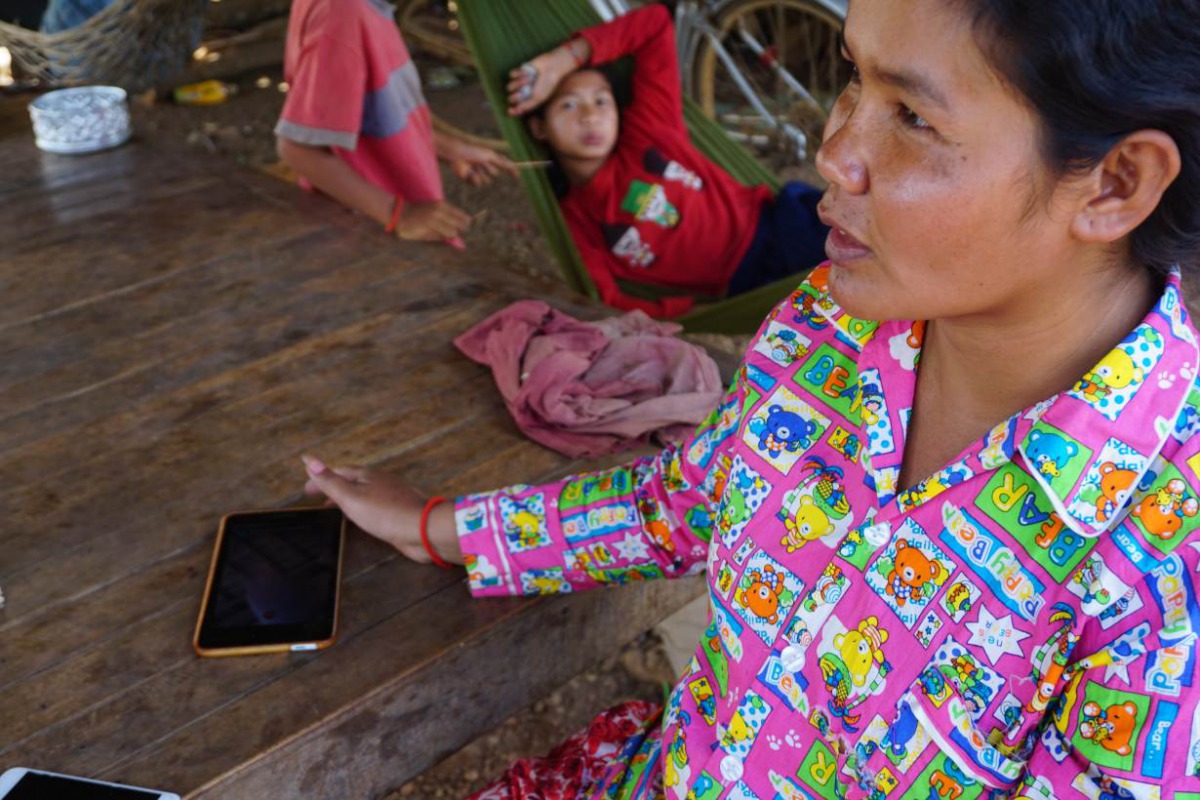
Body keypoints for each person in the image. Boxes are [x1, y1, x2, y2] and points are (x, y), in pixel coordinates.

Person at [302, 0, 1200, 795]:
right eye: (853, 79)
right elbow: (692, 495)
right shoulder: (828, 330)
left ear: (1115, 182)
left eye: (913, 116)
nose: (833, 152)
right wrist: (443, 529)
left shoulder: (1168, 574)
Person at [504, 5, 830, 318]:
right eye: (569, 105)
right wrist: (687, 315)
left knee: (857, 265)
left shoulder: (648, 131)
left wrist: (565, 60)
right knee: (830, 329)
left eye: (601, 101)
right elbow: (606, 300)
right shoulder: (576, 220)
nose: (591, 116)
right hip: (748, 286)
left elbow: (655, 25)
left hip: (780, 225)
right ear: (538, 127)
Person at [274, 0, 515, 247]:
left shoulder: (360, 10)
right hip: (372, 234)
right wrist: (398, 213)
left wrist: (448, 147)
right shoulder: (342, 14)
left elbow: (377, 113)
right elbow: (298, 148)